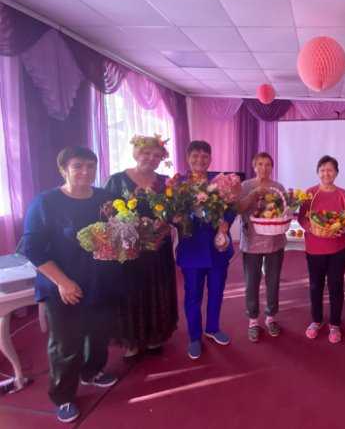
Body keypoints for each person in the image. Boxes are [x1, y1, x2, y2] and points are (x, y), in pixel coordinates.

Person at [19, 147, 119, 423]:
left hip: (100, 281)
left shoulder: (105, 198)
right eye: (78, 166)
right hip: (61, 285)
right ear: (63, 169)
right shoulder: (45, 203)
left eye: (91, 166)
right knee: (66, 344)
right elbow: (32, 248)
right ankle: (62, 396)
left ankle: (92, 372)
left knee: (99, 334)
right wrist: (63, 282)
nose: (86, 172)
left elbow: (119, 230)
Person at [105, 135, 178, 358]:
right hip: (129, 248)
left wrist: (166, 223)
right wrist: (127, 225)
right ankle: (132, 339)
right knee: (131, 290)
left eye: (157, 156)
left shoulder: (166, 181)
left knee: (157, 288)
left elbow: (175, 211)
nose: (151, 158)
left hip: (158, 246)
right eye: (146, 153)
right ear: (136, 152)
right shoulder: (117, 180)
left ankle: (156, 335)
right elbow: (106, 213)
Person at [175, 140, 237, 359]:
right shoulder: (179, 185)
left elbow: (231, 206)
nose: (200, 160)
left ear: (210, 159)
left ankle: (212, 328)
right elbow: (171, 213)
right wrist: (175, 218)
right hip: (191, 249)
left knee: (217, 291)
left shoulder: (220, 182)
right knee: (193, 295)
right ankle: (194, 337)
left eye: (204, 156)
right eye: (195, 156)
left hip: (217, 247)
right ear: (187, 158)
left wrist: (226, 221)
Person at [298, 155, 345, 344]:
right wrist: (311, 228)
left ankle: (335, 323)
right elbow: (302, 218)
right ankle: (316, 320)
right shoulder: (310, 193)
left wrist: (342, 229)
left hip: (338, 248)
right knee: (315, 286)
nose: (326, 173)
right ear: (318, 172)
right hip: (314, 249)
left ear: (336, 173)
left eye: (330, 170)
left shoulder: (343, 194)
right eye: (322, 170)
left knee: (336, 286)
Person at [237, 152, 286, 342]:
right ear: (254, 166)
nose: (264, 168)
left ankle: (271, 317)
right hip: (251, 242)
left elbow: (284, 211)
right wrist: (253, 195)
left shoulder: (278, 187)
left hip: (274, 241)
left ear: (272, 167)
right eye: (260, 164)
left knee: (273, 281)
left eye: (267, 164)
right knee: (252, 282)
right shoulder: (245, 186)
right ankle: (253, 320)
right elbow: (238, 209)